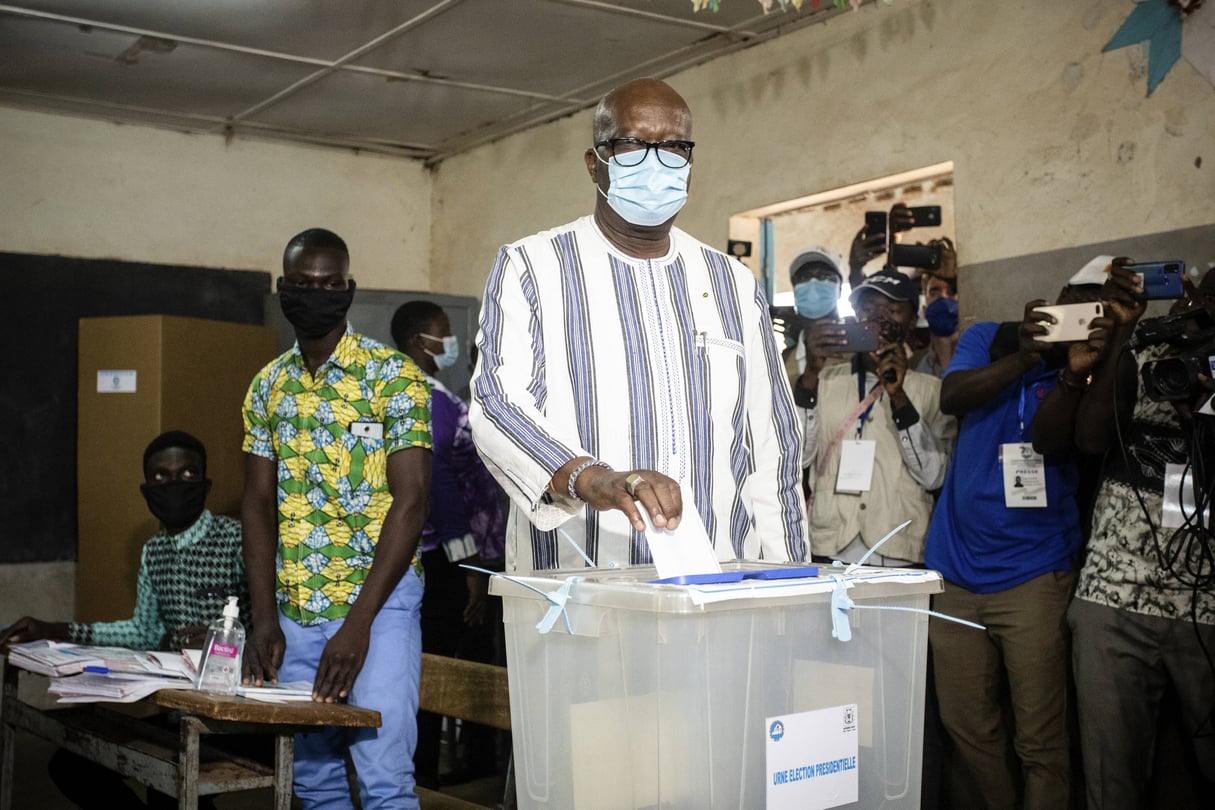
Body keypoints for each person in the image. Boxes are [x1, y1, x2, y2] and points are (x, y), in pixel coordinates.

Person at [468, 77, 806, 572]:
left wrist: (790, 579)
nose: (655, 161)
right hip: (581, 578)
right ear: (595, 163)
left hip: (719, 578)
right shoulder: (533, 266)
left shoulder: (731, 281)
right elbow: (498, 403)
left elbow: (772, 440)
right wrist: (592, 476)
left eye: (673, 146)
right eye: (633, 144)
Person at [240, 228, 433, 809]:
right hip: (295, 609)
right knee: (314, 782)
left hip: (378, 607)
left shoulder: (391, 377)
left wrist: (359, 624)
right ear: (283, 289)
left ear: (348, 291)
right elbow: (255, 503)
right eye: (302, 285)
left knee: (384, 780)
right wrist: (264, 617)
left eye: (328, 285)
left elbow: (412, 501)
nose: (315, 294)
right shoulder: (266, 386)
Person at [924, 261, 1115, 809]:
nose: (1077, 321)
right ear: (1052, 302)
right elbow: (954, 395)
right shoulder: (988, 338)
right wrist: (1026, 356)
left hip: (1033, 576)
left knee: (1041, 742)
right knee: (967, 729)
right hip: (955, 570)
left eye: (1092, 311)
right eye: (1070, 305)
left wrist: (1074, 371)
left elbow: (1062, 441)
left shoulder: (1092, 370)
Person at [0, 430, 250, 810]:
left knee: (168, 787)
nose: (173, 484)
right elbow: (143, 631)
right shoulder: (154, 552)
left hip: (233, 715)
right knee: (73, 767)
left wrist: (223, 641)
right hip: (178, 712)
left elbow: (272, 627)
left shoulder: (237, 540)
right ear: (146, 489)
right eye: (160, 477)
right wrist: (57, 630)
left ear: (206, 483)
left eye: (187, 475)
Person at [1068, 260, 1215, 808]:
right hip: (1113, 598)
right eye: (1200, 302)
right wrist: (1128, 334)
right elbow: (1089, 437)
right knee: (1111, 780)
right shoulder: (1149, 355)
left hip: (1206, 606)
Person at [390, 299, 506, 789]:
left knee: (441, 661)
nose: (451, 343)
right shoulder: (430, 402)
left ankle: (456, 765)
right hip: (451, 559)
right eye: (443, 334)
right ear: (422, 341)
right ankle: (432, 776)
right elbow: (442, 492)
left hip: (440, 554)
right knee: (446, 665)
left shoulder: (397, 392)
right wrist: (472, 569)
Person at [794, 269, 955, 566]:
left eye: (892, 310)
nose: (877, 319)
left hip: (900, 549)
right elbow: (797, 458)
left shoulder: (932, 390)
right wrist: (810, 376)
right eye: (867, 309)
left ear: (911, 320)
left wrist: (899, 398)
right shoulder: (824, 381)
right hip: (830, 547)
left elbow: (934, 476)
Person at [782, 245, 848, 389]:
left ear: (840, 290)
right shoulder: (781, 361)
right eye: (804, 277)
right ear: (794, 290)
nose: (813, 283)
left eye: (824, 276)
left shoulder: (860, 350)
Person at [916, 237, 961, 378]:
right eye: (934, 292)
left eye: (952, 291)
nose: (943, 298)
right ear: (924, 310)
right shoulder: (914, 365)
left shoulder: (981, 356)